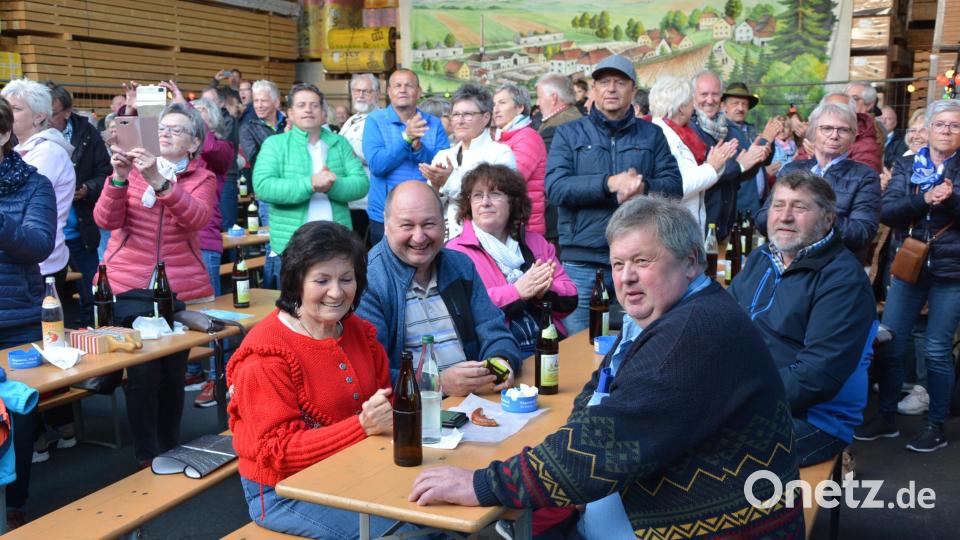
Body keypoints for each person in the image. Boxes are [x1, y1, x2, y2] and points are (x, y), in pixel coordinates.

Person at [407, 196, 803, 538]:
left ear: (692, 262)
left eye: (642, 261)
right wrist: (573, 482)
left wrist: (483, 484)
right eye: (617, 264)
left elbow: (606, 441)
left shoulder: (692, 332)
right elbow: (598, 395)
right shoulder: (668, 313)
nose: (626, 278)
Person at [227, 221, 417, 539]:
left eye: (346, 279)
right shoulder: (265, 354)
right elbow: (277, 452)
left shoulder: (359, 332)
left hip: (355, 468)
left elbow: (388, 403)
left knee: (435, 516)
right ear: (296, 282)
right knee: (402, 534)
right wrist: (361, 427)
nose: (336, 291)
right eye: (321, 280)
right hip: (280, 491)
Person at [95, 102, 217, 465]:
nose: (165, 133)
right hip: (128, 285)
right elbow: (105, 220)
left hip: (176, 289)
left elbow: (196, 219)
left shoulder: (202, 178)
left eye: (176, 130)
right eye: (162, 127)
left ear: (193, 144)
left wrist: (159, 182)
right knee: (144, 373)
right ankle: (147, 455)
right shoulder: (130, 169)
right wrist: (117, 179)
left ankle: (171, 445)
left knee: (172, 372)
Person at [729, 171, 877, 466]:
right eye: (777, 205)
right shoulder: (762, 258)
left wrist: (735, 401)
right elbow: (721, 323)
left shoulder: (842, 279)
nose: (785, 216)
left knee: (699, 454)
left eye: (799, 207)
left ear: (828, 219)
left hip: (812, 419)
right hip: (745, 394)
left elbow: (816, 375)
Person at [546, 55, 682, 335]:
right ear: (593, 90)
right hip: (583, 263)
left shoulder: (652, 135)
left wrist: (641, 188)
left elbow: (674, 187)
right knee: (580, 346)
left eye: (620, 82)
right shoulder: (568, 134)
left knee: (639, 341)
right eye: (604, 82)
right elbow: (556, 187)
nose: (611, 89)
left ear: (633, 91)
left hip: (639, 262)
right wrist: (609, 184)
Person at [855, 99, 960, 453]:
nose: (946, 130)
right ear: (927, 129)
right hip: (909, 265)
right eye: (940, 124)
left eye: (954, 125)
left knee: (936, 350)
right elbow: (890, 212)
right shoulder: (906, 164)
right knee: (892, 343)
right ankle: (886, 418)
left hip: (952, 271)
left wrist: (951, 200)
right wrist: (925, 199)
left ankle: (935, 425)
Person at [357, 181, 522, 395]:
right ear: (386, 227)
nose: (419, 237)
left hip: (479, 399)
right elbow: (372, 375)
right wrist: (437, 383)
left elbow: (495, 331)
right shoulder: (368, 281)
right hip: (413, 413)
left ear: (444, 225)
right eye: (407, 226)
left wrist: (502, 360)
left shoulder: (461, 266)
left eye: (428, 224)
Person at [446, 164, 577, 357]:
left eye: (495, 194)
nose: (485, 202)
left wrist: (544, 291)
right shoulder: (455, 251)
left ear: (512, 202)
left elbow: (571, 296)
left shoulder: (535, 242)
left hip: (549, 343)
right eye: (477, 195)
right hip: (498, 352)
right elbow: (461, 311)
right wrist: (516, 292)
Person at [0, 96, 56, 530]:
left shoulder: (33, 184)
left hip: (14, 316)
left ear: (4, 135)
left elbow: (39, 246)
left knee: (15, 417)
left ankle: (15, 503)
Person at [253, 83, 368, 290]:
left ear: (323, 112)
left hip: (337, 242)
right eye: (301, 105)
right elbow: (262, 186)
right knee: (293, 309)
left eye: (314, 105)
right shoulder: (276, 144)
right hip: (292, 245)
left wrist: (333, 185)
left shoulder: (339, 143)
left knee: (336, 303)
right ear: (290, 112)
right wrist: (310, 184)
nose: (308, 110)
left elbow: (361, 184)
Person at [756, 102, 881, 257]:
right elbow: (762, 220)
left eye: (843, 130)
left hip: (833, 268)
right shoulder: (791, 170)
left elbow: (862, 233)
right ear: (813, 132)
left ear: (853, 136)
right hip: (786, 263)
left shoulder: (864, 176)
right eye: (827, 128)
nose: (834, 135)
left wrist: (814, 216)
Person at [45, 82, 112, 327]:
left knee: (92, 294)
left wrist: (86, 189)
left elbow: (105, 172)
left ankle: (96, 341)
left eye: (51, 112)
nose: (45, 118)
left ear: (66, 111)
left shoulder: (87, 133)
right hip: (50, 236)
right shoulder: (33, 139)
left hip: (82, 229)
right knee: (52, 301)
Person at [1, 80, 76, 290]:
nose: (8, 113)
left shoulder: (48, 152)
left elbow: (19, 202)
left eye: (15, 109)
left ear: (39, 116)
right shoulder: (20, 151)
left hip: (40, 264)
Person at [362, 69, 449, 246]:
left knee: (425, 269)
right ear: (389, 92)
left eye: (409, 85)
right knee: (385, 270)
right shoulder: (375, 121)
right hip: (385, 215)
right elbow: (377, 166)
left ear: (419, 92)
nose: (402, 90)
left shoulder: (433, 123)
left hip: (425, 216)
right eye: (397, 85)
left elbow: (443, 166)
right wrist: (406, 139)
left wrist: (419, 150)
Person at [648, 75, 738, 230]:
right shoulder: (661, 136)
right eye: (691, 101)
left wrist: (716, 165)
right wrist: (710, 167)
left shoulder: (682, 133)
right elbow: (676, 186)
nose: (694, 106)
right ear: (681, 107)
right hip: (673, 228)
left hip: (689, 225)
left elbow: (697, 179)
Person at [690, 72, 771, 242]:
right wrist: (740, 165)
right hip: (697, 226)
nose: (710, 100)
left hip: (725, 223)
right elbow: (697, 177)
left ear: (721, 97)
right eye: (704, 94)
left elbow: (741, 175)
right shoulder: (687, 129)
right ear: (693, 96)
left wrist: (755, 160)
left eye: (715, 94)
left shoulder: (731, 129)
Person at [428, 84, 515, 239]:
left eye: (468, 114)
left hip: (485, 241)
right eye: (455, 115)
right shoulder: (444, 155)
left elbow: (496, 203)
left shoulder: (500, 154)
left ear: (486, 117)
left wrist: (448, 181)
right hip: (446, 242)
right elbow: (430, 209)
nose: (460, 121)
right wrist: (434, 187)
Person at [492, 83, 546, 235]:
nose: (495, 109)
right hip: (510, 223)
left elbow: (509, 180)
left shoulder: (528, 137)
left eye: (502, 103)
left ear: (520, 107)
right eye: (494, 104)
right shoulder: (502, 137)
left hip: (525, 227)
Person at [721, 82, 781, 216]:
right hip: (739, 201)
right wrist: (766, 138)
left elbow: (765, 161)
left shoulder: (751, 129)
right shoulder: (722, 131)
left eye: (744, 104)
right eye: (735, 103)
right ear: (723, 106)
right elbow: (744, 161)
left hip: (759, 200)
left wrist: (769, 141)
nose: (740, 108)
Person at [339, 73, 380, 244]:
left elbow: (379, 157)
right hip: (348, 198)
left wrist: (348, 155)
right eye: (357, 90)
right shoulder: (352, 119)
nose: (361, 95)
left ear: (377, 94)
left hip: (366, 201)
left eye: (366, 91)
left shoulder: (380, 119)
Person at [821, 89, 883, 173]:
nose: (833, 115)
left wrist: (821, 158)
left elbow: (861, 179)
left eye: (840, 110)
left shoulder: (867, 145)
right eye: (827, 110)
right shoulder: (816, 135)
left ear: (852, 113)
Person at [239, 80, 286, 170]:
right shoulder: (247, 129)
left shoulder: (289, 124)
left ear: (276, 103)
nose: (259, 105)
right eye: (256, 101)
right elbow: (258, 162)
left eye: (263, 101)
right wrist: (285, 138)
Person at [535, 73, 581, 151]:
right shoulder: (573, 113)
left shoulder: (554, 130)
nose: (537, 103)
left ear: (553, 98)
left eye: (540, 97)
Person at [882, 105, 908, 169]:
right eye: (881, 118)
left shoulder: (902, 140)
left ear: (895, 122)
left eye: (888, 119)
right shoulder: (870, 137)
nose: (883, 122)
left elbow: (897, 162)